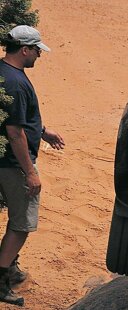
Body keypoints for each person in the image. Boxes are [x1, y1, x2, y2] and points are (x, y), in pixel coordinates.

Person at [0, 25, 64, 306]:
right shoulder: (14, 82)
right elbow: (14, 131)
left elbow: (21, 118)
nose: (40, 54)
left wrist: (43, 131)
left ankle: (10, 269)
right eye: (37, 49)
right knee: (21, 224)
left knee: (16, 220)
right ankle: (1, 281)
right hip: (13, 164)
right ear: (24, 49)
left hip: (6, 160)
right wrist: (30, 172)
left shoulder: (6, 73)